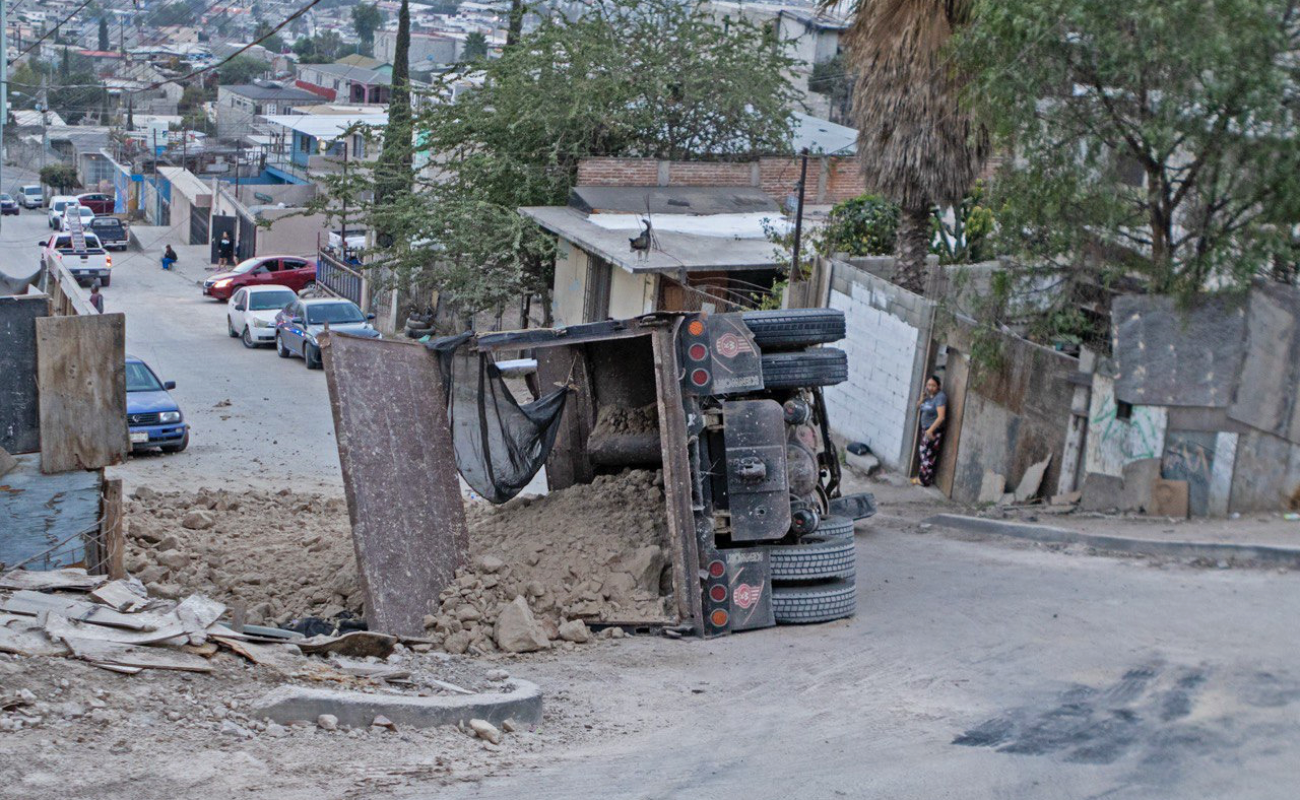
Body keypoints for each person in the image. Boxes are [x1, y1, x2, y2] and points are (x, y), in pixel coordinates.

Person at [913, 375, 947, 487]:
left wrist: (930, 431)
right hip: (926, 429)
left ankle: (924, 480)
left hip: (933, 431)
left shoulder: (940, 397)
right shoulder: (929, 396)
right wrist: (922, 399)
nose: (930, 387)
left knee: (927, 454)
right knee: (925, 453)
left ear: (938, 386)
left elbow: (941, 417)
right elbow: (918, 406)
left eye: (933, 385)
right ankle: (924, 478)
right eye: (928, 385)